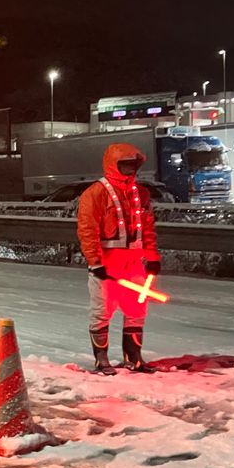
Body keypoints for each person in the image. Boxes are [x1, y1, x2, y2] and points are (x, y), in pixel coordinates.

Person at [76, 144, 161, 374]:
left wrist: (152, 257)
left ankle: (133, 357)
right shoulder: (95, 193)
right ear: (113, 165)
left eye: (132, 165)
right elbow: (87, 230)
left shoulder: (140, 193)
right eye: (124, 165)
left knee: (136, 310)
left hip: (133, 263)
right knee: (102, 310)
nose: (129, 170)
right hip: (107, 264)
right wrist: (95, 262)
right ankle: (101, 359)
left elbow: (148, 230)